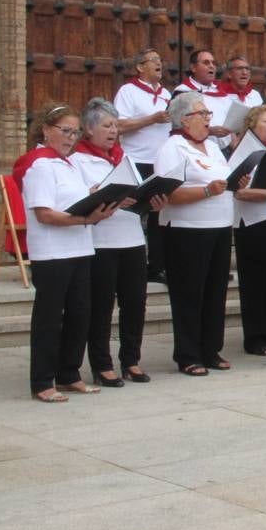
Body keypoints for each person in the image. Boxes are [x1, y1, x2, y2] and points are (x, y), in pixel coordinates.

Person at [23, 103, 122, 401]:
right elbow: (45, 214)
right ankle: (42, 381)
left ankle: (69, 374)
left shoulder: (68, 164)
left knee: (80, 315)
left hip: (80, 248)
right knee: (50, 319)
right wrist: (85, 219)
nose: (70, 137)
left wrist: (100, 198)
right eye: (64, 131)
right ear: (46, 130)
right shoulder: (39, 165)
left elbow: (76, 199)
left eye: (74, 132)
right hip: (53, 254)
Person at [71, 99, 160, 386]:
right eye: (107, 126)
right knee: (101, 306)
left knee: (135, 303)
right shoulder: (78, 160)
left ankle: (131, 359)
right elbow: (78, 199)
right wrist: (101, 193)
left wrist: (151, 200)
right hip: (101, 242)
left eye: (115, 126)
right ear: (88, 129)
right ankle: (101, 364)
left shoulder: (126, 157)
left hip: (132, 238)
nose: (113, 132)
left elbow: (136, 193)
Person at [155, 92, 235, 375]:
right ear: (185, 119)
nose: (208, 119)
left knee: (216, 291)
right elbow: (168, 192)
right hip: (188, 231)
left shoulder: (212, 147)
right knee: (189, 293)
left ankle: (211, 349)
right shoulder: (172, 148)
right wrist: (205, 191)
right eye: (203, 114)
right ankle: (188, 354)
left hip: (220, 226)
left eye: (208, 114)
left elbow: (223, 179)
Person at [229, 104, 266, 357]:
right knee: (255, 284)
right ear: (252, 125)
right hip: (251, 225)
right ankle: (255, 337)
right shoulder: (244, 152)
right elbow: (241, 192)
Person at [114, 48, 172, 282]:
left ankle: (156, 266)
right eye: (153, 60)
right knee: (131, 213)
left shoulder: (167, 93)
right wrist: (152, 119)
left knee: (159, 213)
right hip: (136, 160)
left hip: (160, 162)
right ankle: (129, 266)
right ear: (140, 67)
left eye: (160, 60)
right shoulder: (128, 91)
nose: (159, 64)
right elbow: (119, 125)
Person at [173, 48, 233, 141]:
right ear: (193, 68)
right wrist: (209, 131)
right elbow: (178, 125)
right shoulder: (183, 91)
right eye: (206, 63)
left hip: (225, 150)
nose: (211, 66)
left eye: (213, 63)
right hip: (196, 147)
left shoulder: (221, 90)